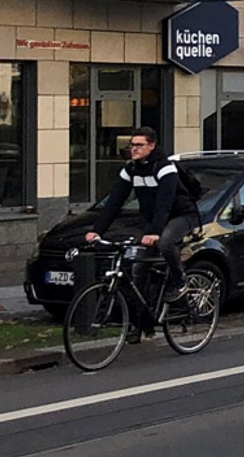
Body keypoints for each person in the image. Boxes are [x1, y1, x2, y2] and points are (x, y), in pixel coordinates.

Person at [85, 127, 199, 342]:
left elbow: (165, 203)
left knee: (165, 242)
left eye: (139, 145)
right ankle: (141, 324)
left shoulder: (166, 168)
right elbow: (114, 202)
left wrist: (155, 231)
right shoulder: (131, 170)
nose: (133, 149)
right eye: (132, 145)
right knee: (137, 271)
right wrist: (96, 230)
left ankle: (179, 280)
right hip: (152, 220)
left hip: (181, 216)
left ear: (151, 145)